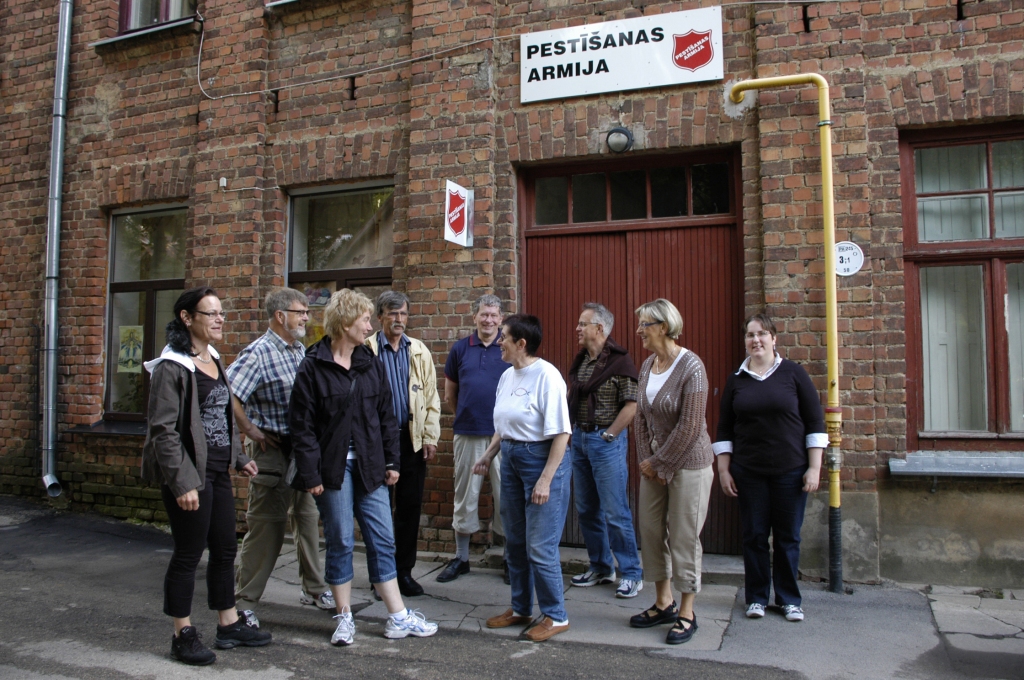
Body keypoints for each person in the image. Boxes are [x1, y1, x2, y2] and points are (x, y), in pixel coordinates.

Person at [289, 288, 438, 646]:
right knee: (340, 540)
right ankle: (344, 618)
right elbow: (302, 427)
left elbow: (386, 416)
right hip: (333, 470)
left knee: (382, 539)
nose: (371, 325)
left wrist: (391, 461)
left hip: (371, 466)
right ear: (345, 322)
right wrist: (311, 475)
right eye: (365, 320)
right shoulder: (313, 366)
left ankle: (398, 616)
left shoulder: (367, 362)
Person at [141, 287, 271, 666]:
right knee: (188, 554)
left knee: (226, 548)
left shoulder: (213, 358)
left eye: (220, 313)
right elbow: (163, 431)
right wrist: (182, 482)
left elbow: (221, 416)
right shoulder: (172, 365)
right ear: (187, 318)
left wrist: (236, 457)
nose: (219, 320)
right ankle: (181, 633)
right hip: (189, 475)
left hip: (216, 471)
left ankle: (228, 623)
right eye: (210, 313)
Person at [714, 312, 826, 623]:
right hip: (749, 472)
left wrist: (814, 468)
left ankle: (789, 599)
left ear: (774, 338)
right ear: (745, 341)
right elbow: (725, 427)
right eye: (750, 335)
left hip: (791, 471)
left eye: (762, 333)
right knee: (754, 536)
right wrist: (724, 470)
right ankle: (757, 598)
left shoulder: (793, 373)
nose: (756, 340)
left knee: (788, 536)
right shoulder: (737, 380)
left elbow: (815, 423)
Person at [229, 288, 334, 619]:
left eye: (306, 311)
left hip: (301, 451)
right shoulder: (257, 353)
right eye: (300, 311)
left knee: (307, 519)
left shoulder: (298, 350)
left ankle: (315, 589)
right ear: (280, 316)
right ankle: (244, 603)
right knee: (267, 525)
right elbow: (228, 394)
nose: (306, 317)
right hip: (271, 451)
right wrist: (249, 429)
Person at [475, 314, 573, 643]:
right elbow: (503, 426)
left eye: (503, 337)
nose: (498, 341)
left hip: (542, 462)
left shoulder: (548, 377)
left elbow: (561, 434)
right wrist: (489, 454)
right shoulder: (507, 376)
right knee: (515, 542)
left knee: (540, 546)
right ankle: (520, 608)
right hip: (512, 459)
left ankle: (556, 615)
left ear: (521, 343)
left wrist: (546, 480)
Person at [629, 299, 714, 645]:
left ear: (663, 327)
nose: (639, 332)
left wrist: (661, 463)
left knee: (683, 536)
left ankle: (687, 611)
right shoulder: (649, 364)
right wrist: (646, 461)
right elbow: (640, 418)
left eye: (644, 325)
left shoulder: (691, 366)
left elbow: (691, 426)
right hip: (654, 466)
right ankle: (663, 601)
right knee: (650, 530)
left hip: (689, 464)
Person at [366, 290, 441, 597]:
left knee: (409, 508)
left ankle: (404, 572)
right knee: (378, 511)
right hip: (377, 444)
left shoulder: (419, 350)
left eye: (403, 314)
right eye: (393, 313)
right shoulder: (366, 350)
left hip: (410, 440)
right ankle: (380, 575)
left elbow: (432, 398)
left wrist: (429, 436)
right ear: (380, 316)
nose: (399, 320)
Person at [566, 302, 643, 598]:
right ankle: (601, 566)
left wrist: (610, 435)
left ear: (599, 328)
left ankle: (632, 573)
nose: (577, 328)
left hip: (605, 442)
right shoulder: (582, 361)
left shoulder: (621, 362)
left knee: (615, 510)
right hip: (581, 440)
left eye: (582, 324)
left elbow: (631, 406)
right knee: (586, 509)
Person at [439, 294, 510, 583]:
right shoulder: (460, 349)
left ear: (501, 318)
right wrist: (467, 416)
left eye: (494, 315)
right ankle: (462, 558)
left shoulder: (508, 346)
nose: (489, 320)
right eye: (484, 314)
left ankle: (509, 559)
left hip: (505, 436)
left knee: (507, 497)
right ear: (475, 317)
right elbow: (449, 394)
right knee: (465, 496)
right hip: (468, 433)